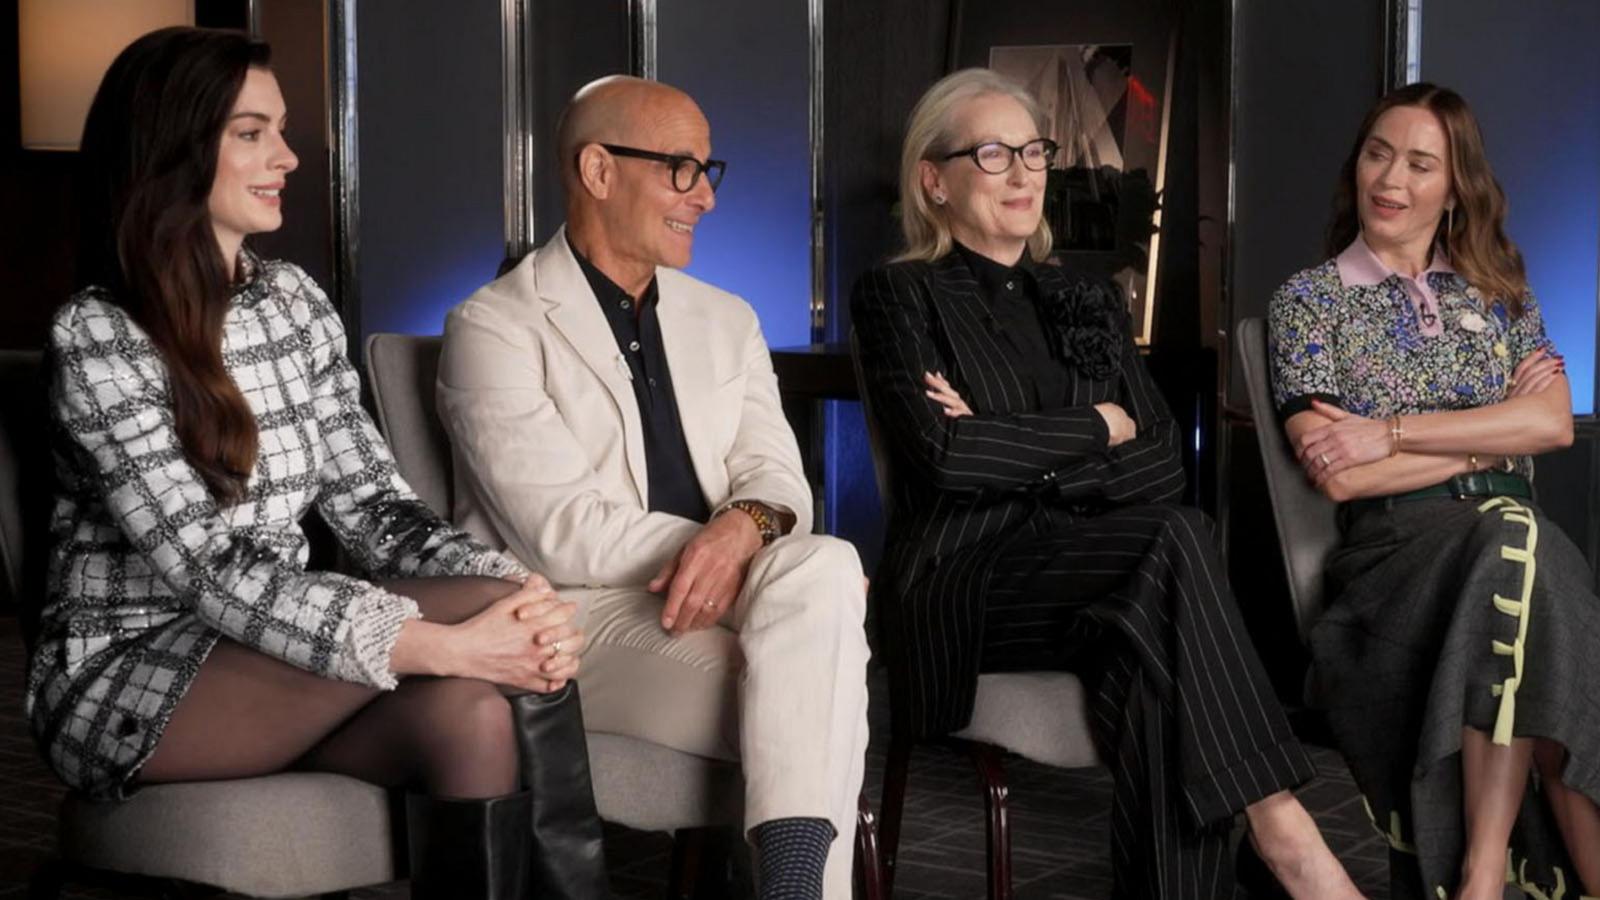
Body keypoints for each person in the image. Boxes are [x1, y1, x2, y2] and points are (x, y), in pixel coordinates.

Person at [23, 27, 606, 900]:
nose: (288, 157)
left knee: (472, 712)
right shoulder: (99, 335)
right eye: (251, 133)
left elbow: (376, 507)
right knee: (485, 632)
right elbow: (206, 567)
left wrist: (517, 589)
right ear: (174, 149)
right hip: (134, 678)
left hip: (281, 650)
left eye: (282, 130)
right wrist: (436, 641)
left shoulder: (293, 301)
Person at [850, 68, 1364, 899]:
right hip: (968, 586)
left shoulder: (1083, 295)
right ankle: (1287, 836)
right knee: (1173, 539)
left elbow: (1163, 460)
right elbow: (945, 460)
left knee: (1154, 646)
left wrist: (1008, 442)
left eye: (1033, 151)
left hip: (1105, 579)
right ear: (933, 180)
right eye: (992, 154)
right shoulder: (898, 295)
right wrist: (1096, 425)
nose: (1023, 173)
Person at [435, 75, 870, 900]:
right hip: (575, 616)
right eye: (681, 168)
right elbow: (563, 532)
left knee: (825, 564)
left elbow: (780, 480)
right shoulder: (492, 326)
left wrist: (739, 533)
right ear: (597, 170)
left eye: (708, 170)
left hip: (716, 590)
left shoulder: (728, 318)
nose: (705, 196)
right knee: (825, 655)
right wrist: (722, 547)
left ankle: (793, 889)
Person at [1269, 82, 1600, 900]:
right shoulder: (1309, 302)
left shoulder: (1500, 290)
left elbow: (1553, 425)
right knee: (1525, 561)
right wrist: (1494, 435)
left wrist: (1391, 432)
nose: (1391, 179)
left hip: (1513, 541)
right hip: (1397, 552)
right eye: (1378, 154)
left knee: (1521, 562)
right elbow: (1340, 472)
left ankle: (1480, 876)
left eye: (1420, 164)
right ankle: (1483, 873)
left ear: (1455, 188)